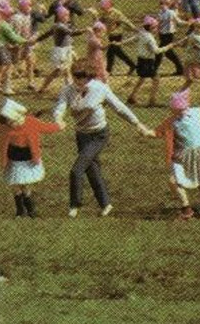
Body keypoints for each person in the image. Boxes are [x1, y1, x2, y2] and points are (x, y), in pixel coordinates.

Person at [53, 67, 153, 218]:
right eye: (75, 79)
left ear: (89, 78)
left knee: (76, 170)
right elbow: (60, 105)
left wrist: (137, 124)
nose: (77, 83)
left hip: (99, 134)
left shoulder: (100, 88)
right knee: (92, 170)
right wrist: (58, 119)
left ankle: (74, 207)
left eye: (81, 80)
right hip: (81, 134)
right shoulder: (68, 89)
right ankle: (106, 204)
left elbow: (119, 108)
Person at [151, 90, 200, 219]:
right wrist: (142, 129)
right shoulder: (172, 121)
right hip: (184, 155)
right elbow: (157, 132)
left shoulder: (197, 112)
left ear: (188, 106)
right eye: (178, 109)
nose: (181, 112)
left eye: (183, 108)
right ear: (173, 110)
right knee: (174, 181)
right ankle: (186, 208)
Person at [0, 98, 63, 218]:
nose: (9, 125)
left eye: (10, 122)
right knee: (14, 183)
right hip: (13, 158)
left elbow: (46, 127)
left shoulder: (31, 122)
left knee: (25, 183)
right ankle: (20, 210)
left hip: (27, 158)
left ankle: (30, 209)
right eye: (8, 123)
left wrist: (58, 126)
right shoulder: (5, 127)